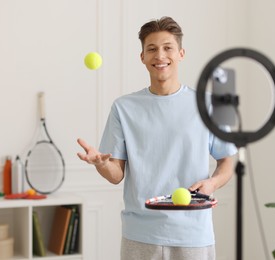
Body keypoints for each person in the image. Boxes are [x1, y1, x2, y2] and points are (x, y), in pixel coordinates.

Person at [77, 16, 237, 260]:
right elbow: (116, 174)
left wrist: (212, 184)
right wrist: (101, 163)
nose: (160, 56)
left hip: (193, 234)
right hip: (140, 235)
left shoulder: (208, 104)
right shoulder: (123, 107)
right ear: (142, 57)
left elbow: (227, 160)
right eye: (151, 49)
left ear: (181, 53)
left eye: (167, 48)